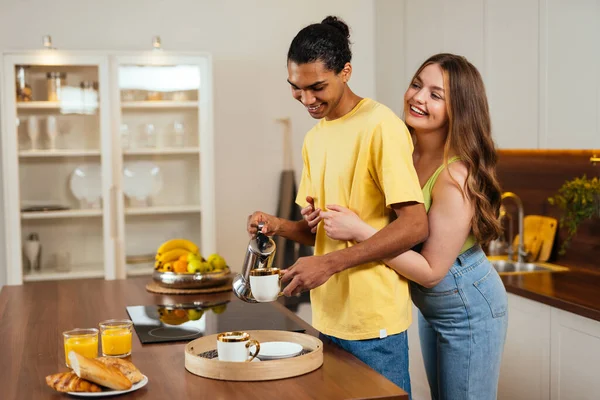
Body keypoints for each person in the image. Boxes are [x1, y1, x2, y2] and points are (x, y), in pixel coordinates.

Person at [305, 53, 508, 400]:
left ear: (459, 108)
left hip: (467, 303)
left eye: (435, 94)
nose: (418, 97)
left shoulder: (453, 177)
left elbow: (430, 271)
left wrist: (359, 232)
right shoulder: (406, 152)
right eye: (417, 84)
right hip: (433, 305)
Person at [246, 16, 428, 395]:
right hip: (327, 315)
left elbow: (414, 225)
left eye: (316, 87)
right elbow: (319, 235)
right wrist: (278, 225)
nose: (307, 100)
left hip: (372, 321)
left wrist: (328, 264)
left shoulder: (381, 126)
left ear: (345, 72)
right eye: (296, 89)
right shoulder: (316, 137)